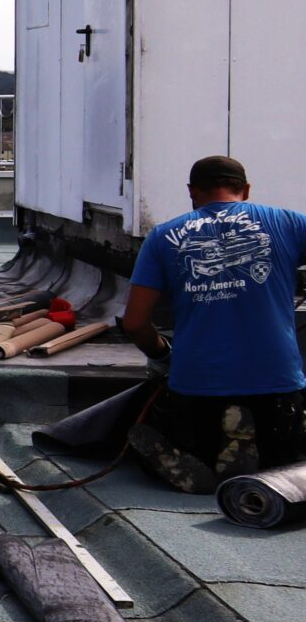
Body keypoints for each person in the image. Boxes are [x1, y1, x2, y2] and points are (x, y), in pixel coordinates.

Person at [119, 155, 306, 493]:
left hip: (197, 386)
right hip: (276, 384)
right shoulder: (290, 223)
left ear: (192, 192)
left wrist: (162, 355)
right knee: (287, 466)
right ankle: (262, 463)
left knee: (163, 432)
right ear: (246, 190)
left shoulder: (163, 237)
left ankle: (205, 462)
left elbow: (134, 323)